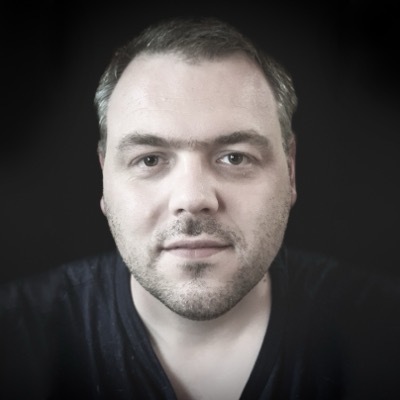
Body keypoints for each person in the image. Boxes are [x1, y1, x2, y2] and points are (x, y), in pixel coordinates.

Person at [1, 16, 399, 400]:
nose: (192, 199)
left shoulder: (385, 334)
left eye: (235, 157)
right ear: (104, 176)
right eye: (150, 159)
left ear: (290, 171)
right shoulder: (13, 341)